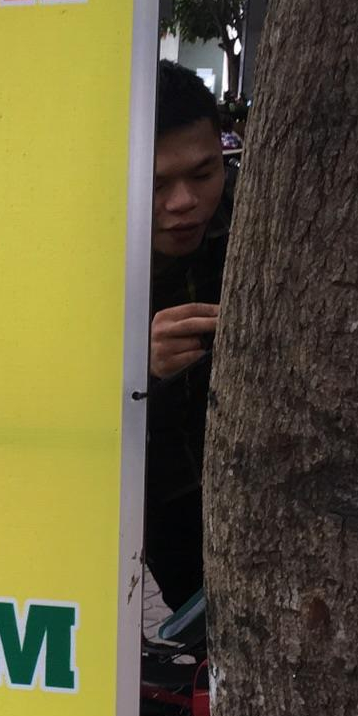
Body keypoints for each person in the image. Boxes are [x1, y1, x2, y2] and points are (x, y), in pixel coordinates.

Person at [145, 62, 232, 610]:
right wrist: (135, 366)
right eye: (155, 184)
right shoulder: (77, 255)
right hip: (161, 498)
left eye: (203, 174)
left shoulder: (263, 219)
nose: (183, 202)